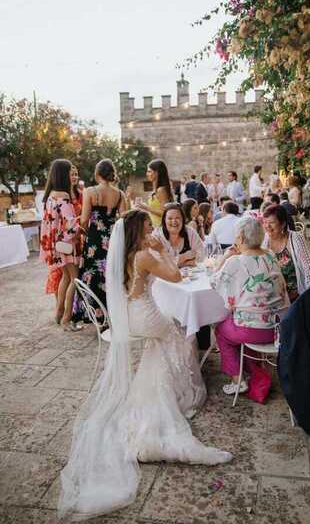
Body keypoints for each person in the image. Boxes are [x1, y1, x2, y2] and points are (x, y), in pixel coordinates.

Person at [58, 210, 232, 520]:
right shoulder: (146, 255)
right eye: (150, 225)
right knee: (182, 335)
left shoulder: (130, 253)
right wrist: (163, 249)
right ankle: (175, 394)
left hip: (132, 311)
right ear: (139, 230)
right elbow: (176, 275)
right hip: (145, 316)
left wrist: (157, 250)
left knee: (170, 338)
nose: (155, 229)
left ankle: (162, 388)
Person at [211, 218, 289, 395]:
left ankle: (237, 380)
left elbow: (214, 282)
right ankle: (252, 365)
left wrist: (225, 257)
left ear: (240, 238)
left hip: (255, 331)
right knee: (235, 319)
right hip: (279, 328)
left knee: (221, 330)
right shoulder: (269, 255)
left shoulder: (236, 262)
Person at [72, 159, 127, 328]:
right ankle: (112, 314)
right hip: (113, 238)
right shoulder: (120, 194)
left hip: (95, 238)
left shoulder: (89, 191)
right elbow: (125, 218)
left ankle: (97, 314)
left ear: (97, 174)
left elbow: (85, 219)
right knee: (112, 273)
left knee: (93, 274)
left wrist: (83, 229)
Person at [40, 159, 81, 329]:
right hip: (67, 244)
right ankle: (66, 317)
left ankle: (58, 312)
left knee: (65, 277)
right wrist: (81, 226)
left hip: (55, 245)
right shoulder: (63, 197)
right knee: (75, 279)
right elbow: (70, 224)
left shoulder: (50, 196)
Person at [263, 204, 310, 303]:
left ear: (283, 224)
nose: (267, 226)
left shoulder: (295, 238)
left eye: (272, 222)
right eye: (265, 222)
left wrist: (307, 296)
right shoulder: (263, 240)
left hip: (294, 297)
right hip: (269, 296)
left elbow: (309, 269)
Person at [140, 159, 173, 227]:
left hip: (160, 227)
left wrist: (146, 207)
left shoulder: (161, 190)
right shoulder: (156, 190)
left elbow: (164, 213)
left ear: (157, 173)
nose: (147, 174)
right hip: (154, 226)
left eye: (149, 171)